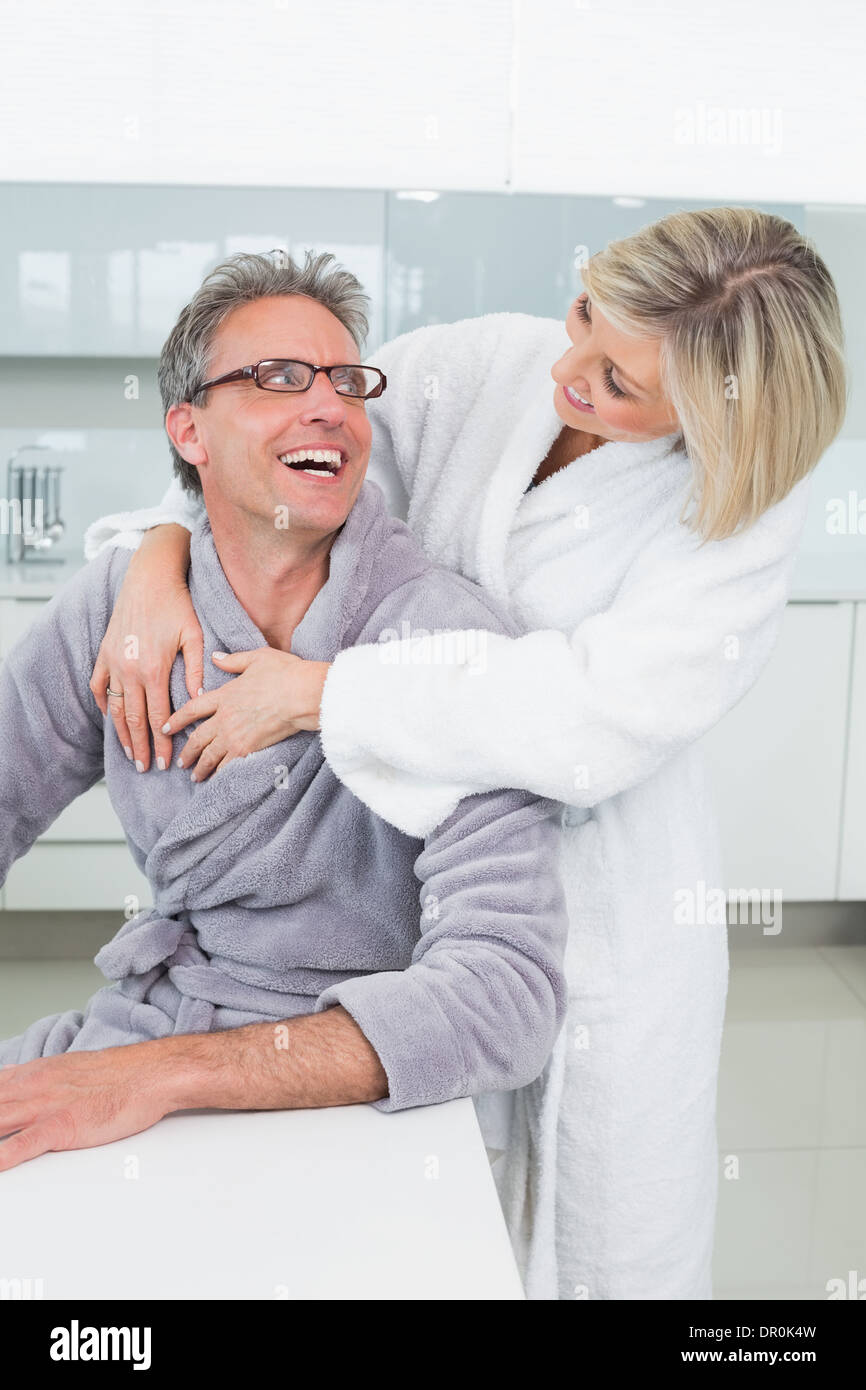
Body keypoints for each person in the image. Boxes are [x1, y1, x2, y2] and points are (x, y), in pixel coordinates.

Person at [84, 209, 848, 1300]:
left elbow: (597, 713)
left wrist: (331, 695)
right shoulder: (485, 362)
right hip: (423, 875)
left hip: (602, 904)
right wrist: (154, 550)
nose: (568, 372)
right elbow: (290, 444)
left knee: (602, 1242)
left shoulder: (736, 507)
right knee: (426, 1218)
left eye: (619, 383)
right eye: (584, 315)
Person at [0, 255, 570, 1233]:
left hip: (348, 1072)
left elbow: (504, 999)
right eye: (277, 377)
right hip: (149, 1022)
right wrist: (126, 1067)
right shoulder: (120, 608)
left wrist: (159, 1077)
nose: (330, 406)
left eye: (346, 381)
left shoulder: (444, 644)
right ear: (189, 428)